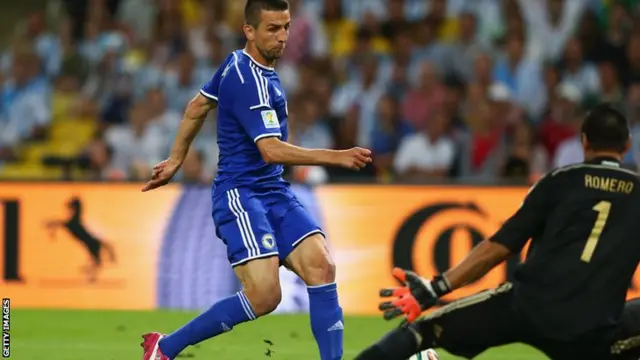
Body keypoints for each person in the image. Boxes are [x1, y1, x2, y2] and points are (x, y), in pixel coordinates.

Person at [139, 1, 372, 359]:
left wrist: (175, 160)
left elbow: (197, 107)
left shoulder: (248, 67)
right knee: (266, 297)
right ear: (249, 30)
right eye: (272, 29)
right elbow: (271, 151)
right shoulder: (247, 78)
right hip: (241, 194)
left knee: (322, 266)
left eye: (287, 27)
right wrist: (335, 155)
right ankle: (165, 348)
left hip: (273, 191)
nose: (283, 38)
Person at [355, 103, 640, 360]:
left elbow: (501, 245)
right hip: (594, 326)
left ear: (584, 142)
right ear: (627, 145)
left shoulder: (558, 180)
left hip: (529, 307)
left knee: (423, 332)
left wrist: (436, 288)